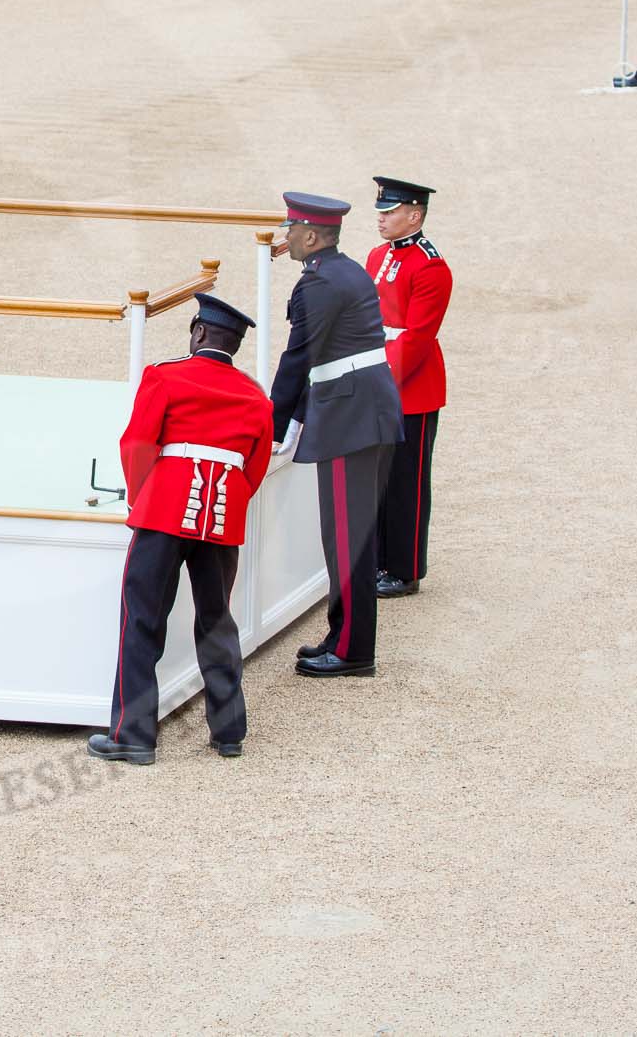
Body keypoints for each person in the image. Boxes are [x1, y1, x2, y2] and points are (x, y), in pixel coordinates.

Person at [88, 294, 274, 766]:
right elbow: (254, 468)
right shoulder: (255, 396)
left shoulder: (165, 376)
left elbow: (137, 443)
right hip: (222, 514)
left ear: (198, 333)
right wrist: (229, 501)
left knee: (142, 621)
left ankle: (133, 734)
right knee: (216, 621)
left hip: (164, 511)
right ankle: (229, 730)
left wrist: (142, 496)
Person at [270, 192, 402, 678]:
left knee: (348, 538)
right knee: (346, 534)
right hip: (361, 409)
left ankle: (352, 650)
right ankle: (341, 632)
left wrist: (273, 423)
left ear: (310, 235)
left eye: (291, 231)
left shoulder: (320, 284)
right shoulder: (343, 270)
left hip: (351, 416)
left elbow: (298, 358)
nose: (286, 239)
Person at [363, 178, 451, 600]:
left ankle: (404, 567)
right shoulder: (377, 255)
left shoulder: (431, 266)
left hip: (408, 387)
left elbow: (416, 336)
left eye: (390, 210)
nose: (381, 216)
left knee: (405, 482)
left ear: (414, 215)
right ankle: (377, 556)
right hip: (377, 373)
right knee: (376, 476)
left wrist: (380, 378)